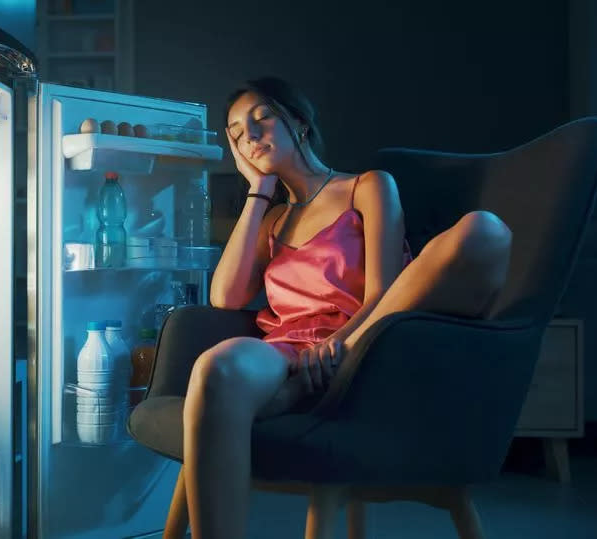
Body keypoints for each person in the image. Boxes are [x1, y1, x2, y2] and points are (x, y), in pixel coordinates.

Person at [180, 76, 513, 539]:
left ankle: (322, 375)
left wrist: (340, 343)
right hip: (287, 349)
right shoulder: (273, 219)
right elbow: (225, 296)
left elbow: (382, 292)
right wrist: (258, 190)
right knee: (216, 367)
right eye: (237, 134)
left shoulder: (368, 188)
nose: (250, 137)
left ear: (298, 122)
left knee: (485, 231)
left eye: (261, 119)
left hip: (369, 342)